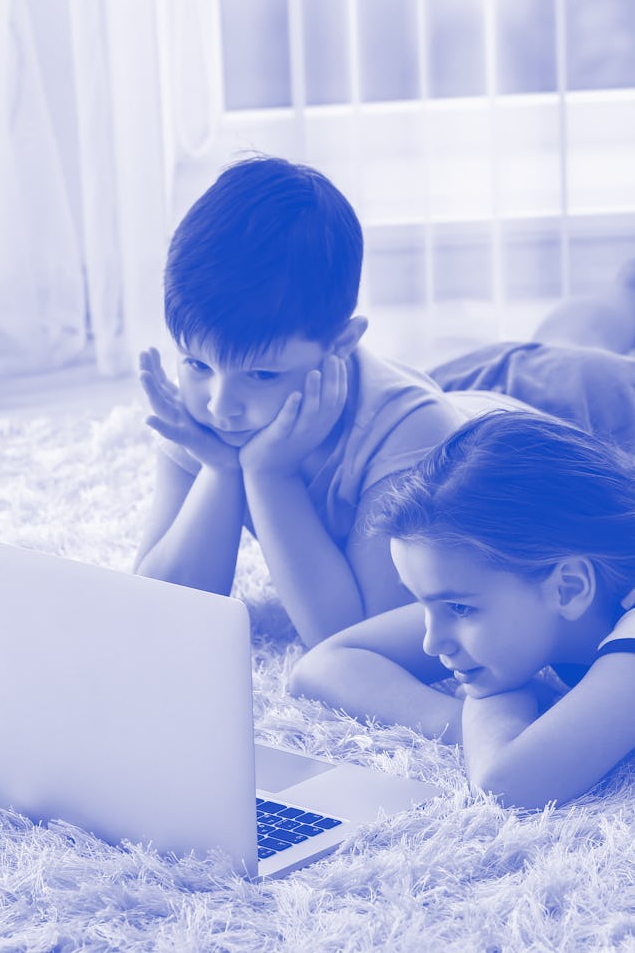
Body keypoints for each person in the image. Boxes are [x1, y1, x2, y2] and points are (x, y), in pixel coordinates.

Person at [134, 153, 635, 656]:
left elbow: (353, 641)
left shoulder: (406, 433)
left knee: (585, 356)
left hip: (553, 421)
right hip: (458, 395)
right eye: (197, 365)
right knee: (565, 338)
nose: (222, 406)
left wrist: (269, 476)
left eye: (262, 374)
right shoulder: (210, 415)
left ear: (342, 343)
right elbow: (156, 609)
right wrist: (220, 472)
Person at [298, 410, 635, 809]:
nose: (431, 642)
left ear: (569, 587)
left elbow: (509, 783)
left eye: (459, 608)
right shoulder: (531, 592)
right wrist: (462, 723)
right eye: (423, 603)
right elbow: (323, 665)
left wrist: (494, 705)